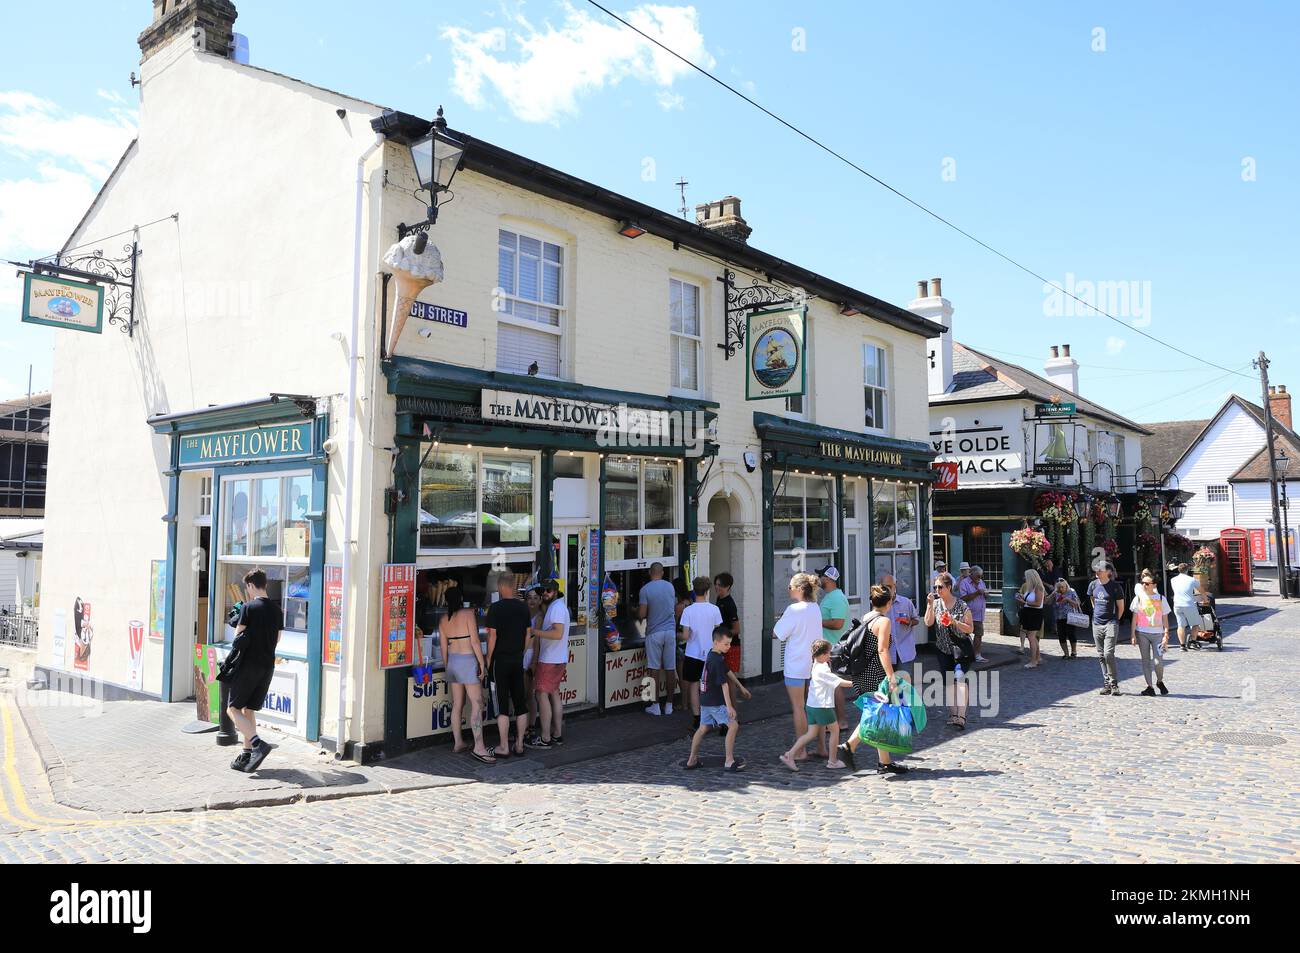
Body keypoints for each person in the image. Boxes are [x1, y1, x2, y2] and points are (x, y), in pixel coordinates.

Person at [836, 585, 909, 775]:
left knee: (877, 714)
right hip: (874, 675)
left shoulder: (867, 617)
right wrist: (891, 677)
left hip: (862, 674)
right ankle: (848, 747)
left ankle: (884, 762)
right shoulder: (883, 621)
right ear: (889, 603)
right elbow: (882, 650)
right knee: (875, 714)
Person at [222, 569, 283, 773]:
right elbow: (278, 639)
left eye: (246, 588)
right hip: (267, 667)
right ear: (264, 584)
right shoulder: (276, 610)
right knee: (248, 709)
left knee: (233, 709)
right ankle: (246, 754)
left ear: (250, 586)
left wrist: (237, 620)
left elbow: (238, 638)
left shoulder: (249, 607)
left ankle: (258, 744)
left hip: (248, 666)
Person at [439, 584, 494, 764]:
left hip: (453, 662)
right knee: (477, 704)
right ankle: (479, 746)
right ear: (461, 599)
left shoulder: (443, 620)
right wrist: (481, 663)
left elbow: (443, 649)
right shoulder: (468, 614)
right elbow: (476, 642)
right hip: (468, 660)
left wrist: (449, 667)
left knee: (457, 704)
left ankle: (458, 743)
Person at [773, 572, 825, 761]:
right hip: (814, 663)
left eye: (791, 587)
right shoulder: (815, 608)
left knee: (798, 708)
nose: (788, 589)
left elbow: (778, 633)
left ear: (800, 589)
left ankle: (801, 750)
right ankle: (821, 747)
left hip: (796, 663)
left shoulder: (794, 610)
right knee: (815, 706)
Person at [780, 639, 852, 771]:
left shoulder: (815, 665)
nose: (830, 655)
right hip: (823, 706)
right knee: (835, 730)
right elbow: (839, 682)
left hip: (812, 705)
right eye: (828, 653)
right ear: (823, 654)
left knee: (811, 733)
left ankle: (789, 755)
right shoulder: (822, 670)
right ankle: (832, 761)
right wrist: (858, 684)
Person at [683, 627, 744, 771]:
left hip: (705, 700)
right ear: (716, 643)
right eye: (726, 644)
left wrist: (741, 687)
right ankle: (729, 761)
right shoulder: (716, 660)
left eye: (729, 644)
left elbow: (727, 670)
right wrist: (729, 707)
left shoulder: (713, 655)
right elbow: (724, 685)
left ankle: (692, 759)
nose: (729, 647)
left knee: (703, 728)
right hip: (715, 702)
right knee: (733, 726)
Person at [485, 574, 531, 758]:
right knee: (521, 704)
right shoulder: (523, 608)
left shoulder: (495, 609)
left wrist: (488, 659)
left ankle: (503, 746)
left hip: (500, 662)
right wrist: (521, 650)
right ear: (513, 587)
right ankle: (519, 744)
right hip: (517, 660)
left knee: (502, 706)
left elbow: (492, 637)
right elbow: (528, 634)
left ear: (500, 587)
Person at [924, 572, 976, 730]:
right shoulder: (936, 604)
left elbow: (970, 628)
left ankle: (961, 715)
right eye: (935, 587)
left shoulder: (961, 605)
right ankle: (953, 714)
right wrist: (929, 605)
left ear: (949, 587)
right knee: (948, 682)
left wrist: (954, 622)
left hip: (960, 650)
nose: (937, 590)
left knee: (959, 678)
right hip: (943, 649)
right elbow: (928, 622)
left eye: (940, 587)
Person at [526, 577, 569, 748]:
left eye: (548, 590)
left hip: (550, 659)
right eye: (543, 590)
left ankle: (545, 738)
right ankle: (557, 734)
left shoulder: (557, 608)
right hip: (558, 658)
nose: (545, 593)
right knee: (554, 694)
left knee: (541, 695)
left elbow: (558, 633)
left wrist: (535, 632)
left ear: (556, 592)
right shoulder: (556, 607)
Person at [678, 576, 723, 733]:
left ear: (694, 589)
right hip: (711, 653)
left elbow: (685, 636)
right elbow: (718, 633)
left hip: (693, 653)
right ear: (707, 590)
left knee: (694, 686)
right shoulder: (714, 610)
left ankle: (697, 719)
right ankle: (719, 719)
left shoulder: (688, 611)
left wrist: (678, 635)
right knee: (713, 687)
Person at [638, 562, 679, 716]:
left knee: (653, 669)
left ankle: (655, 705)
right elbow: (673, 608)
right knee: (670, 668)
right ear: (662, 572)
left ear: (650, 572)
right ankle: (669, 704)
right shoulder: (670, 587)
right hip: (670, 631)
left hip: (654, 632)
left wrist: (635, 611)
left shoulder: (645, 590)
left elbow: (642, 614)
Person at [817, 565, 851, 728]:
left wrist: (816, 621)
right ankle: (832, 721)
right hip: (827, 649)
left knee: (835, 685)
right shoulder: (831, 596)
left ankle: (841, 721)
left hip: (834, 650)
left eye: (821, 576)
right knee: (830, 685)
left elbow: (838, 624)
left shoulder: (836, 597)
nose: (818, 579)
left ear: (828, 579)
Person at [1087, 563, 1127, 696]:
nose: (1097, 572)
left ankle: (1114, 684)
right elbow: (1092, 599)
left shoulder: (1115, 587)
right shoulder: (1093, 585)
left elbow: (1121, 607)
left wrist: (1115, 620)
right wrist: (1096, 612)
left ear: (1108, 571)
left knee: (1108, 653)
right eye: (1096, 570)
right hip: (1096, 623)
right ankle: (1107, 684)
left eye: (1100, 570)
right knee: (1100, 655)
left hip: (1110, 623)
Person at [713, 573, 752, 701]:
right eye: (716, 584)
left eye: (721, 585)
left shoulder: (729, 604)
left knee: (730, 680)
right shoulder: (719, 600)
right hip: (722, 645)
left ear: (728, 587)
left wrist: (722, 635)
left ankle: (733, 714)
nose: (717, 587)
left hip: (732, 646)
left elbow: (736, 629)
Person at [1131, 571, 1170, 696]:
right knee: (1145, 660)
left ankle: (1159, 681)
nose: (1144, 585)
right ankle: (1149, 686)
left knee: (1158, 661)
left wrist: (1166, 634)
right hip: (1142, 633)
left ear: (1154, 585)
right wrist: (1132, 635)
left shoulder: (1161, 599)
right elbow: (1134, 619)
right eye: (1142, 583)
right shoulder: (1138, 598)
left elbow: (1165, 619)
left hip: (1157, 634)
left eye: (1147, 584)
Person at [881, 573, 919, 674]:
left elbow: (916, 619)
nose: (887, 589)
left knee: (904, 686)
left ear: (895, 586)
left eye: (889, 586)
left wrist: (909, 622)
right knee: (889, 687)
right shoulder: (879, 606)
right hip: (887, 653)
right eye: (884, 587)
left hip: (905, 651)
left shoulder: (906, 602)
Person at [522, 587, 543, 745]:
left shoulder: (540, 617)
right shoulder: (523, 614)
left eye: (535, 597)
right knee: (524, 694)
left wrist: (533, 661)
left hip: (530, 657)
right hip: (522, 656)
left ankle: (530, 726)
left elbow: (537, 644)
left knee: (530, 695)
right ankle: (525, 726)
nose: (532, 600)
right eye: (529, 597)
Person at [1016, 569, 1047, 668]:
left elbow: (1038, 604)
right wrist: (1021, 597)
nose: (1025, 579)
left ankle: (1033, 661)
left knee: (1031, 637)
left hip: (1035, 614)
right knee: (1032, 637)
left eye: (1027, 577)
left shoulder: (1038, 587)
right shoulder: (1030, 587)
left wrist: (1024, 602)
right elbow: (1030, 600)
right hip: (1028, 613)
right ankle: (1037, 658)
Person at [1169, 563, 1203, 651]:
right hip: (1189, 604)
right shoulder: (1192, 580)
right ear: (1187, 570)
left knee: (1181, 626)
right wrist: (1206, 599)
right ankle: (1193, 641)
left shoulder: (1173, 580)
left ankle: (1182, 646)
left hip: (1177, 604)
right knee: (1195, 624)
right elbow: (1201, 590)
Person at [957, 565, 988, 661]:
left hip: (979, 614)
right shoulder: (964, 583)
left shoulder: (981, 582)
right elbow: (963, 598)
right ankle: (964, 654)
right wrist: (977, 593)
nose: (980, 578)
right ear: (972, 574)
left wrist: (986, 594)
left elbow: (984, 595)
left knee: (979, 634)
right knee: (964, 635)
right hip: (968, 614)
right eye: (978, 576)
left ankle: (977, 655)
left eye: (981, 576)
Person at [1050, 577, 1082, 658]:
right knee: (1061, 635)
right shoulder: (1056, 593)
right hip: (1059, 617)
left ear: (1066, 586)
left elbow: (1077, 603)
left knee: (1071, 634)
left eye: (1062, 587)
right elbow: (1047, 602)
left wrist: (1068, 599)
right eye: (1058, 587)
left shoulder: (1071, 591)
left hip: (1070, 617)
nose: (1060, 589)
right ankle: (1066, 653)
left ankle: (1074, 651)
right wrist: (1052, 594)